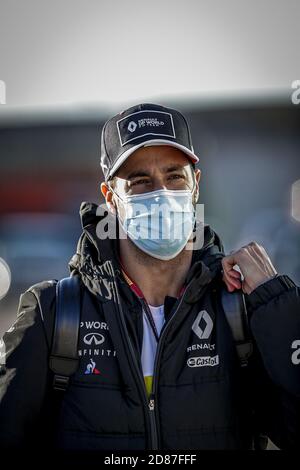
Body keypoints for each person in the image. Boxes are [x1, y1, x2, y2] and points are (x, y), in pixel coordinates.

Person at [0, 102, 299, 451]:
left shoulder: (241, 310)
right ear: (111, 198)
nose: (162, 194)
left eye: (174, 176)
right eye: (141, 181)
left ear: (195, 186)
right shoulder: (53, 314)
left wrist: (277, 303)